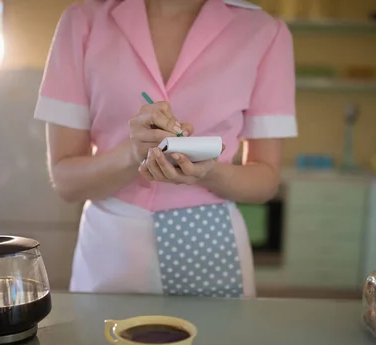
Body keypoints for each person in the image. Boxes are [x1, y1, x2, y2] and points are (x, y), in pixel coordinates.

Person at [34, 0, 297, 297]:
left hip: (210, 243)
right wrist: (133, 153)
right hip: (112, 245)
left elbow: (265, 180)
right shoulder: (83, 21)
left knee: (214, 343)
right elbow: (66, 181)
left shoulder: (263, 31)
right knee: (103, 343)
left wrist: (209, 173)